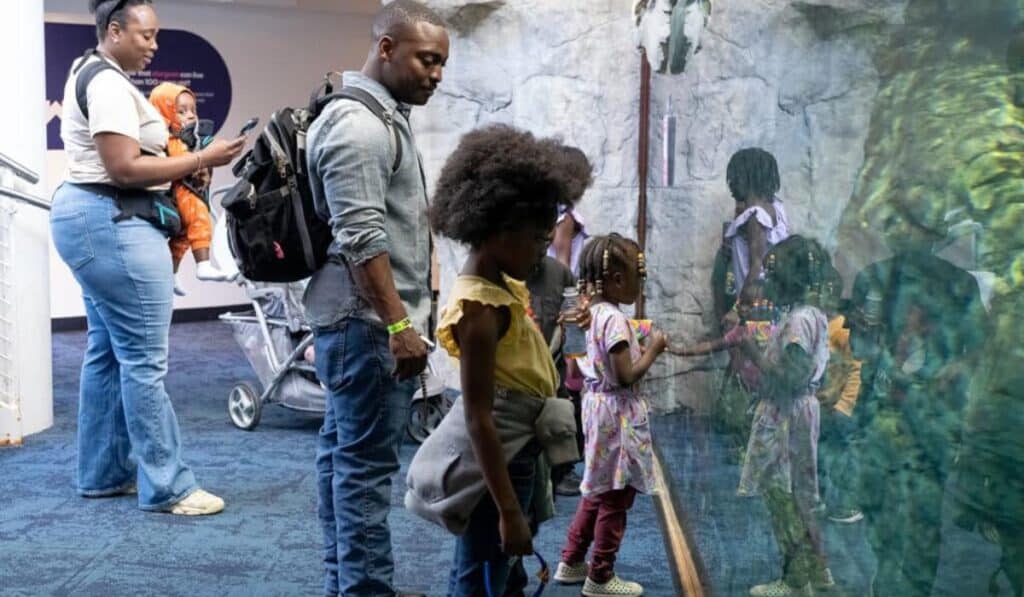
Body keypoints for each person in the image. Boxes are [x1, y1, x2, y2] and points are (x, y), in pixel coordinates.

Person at [50, 0, 245, 515]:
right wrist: (203, 157)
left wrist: (181, 164)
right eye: (147, 35)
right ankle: (169, 487)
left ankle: (103, 473)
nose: (155, 46)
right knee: (143, 360)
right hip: (113, 219)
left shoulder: (92, 72)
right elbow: (122, 167)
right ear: (114, 31)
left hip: (92, 219)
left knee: (108, 352)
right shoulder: (110, 83)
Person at [300, 2, 448, 595]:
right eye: (426, 59)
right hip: (366, 326)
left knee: (344, 458)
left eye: (442, 63)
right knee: (363, 471)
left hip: (360, 322)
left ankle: (350, 585)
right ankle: (364, 590)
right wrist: (397, 326)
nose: (436, 74)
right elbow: (361, 239)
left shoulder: (383, 117)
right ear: (386, 49)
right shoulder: (359, 125)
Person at [410, 124, 583, 596]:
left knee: (499, 568)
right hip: (499, 464)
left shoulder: (502, 287)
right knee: (480, 568)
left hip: (518, 453)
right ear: (495, 230)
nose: (542, 250)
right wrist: (508, 509)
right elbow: (478, 416)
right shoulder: (481, 311)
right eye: (535, 238)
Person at [846, 217, 986, 597]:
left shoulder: (960, 285)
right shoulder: (872, 279)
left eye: (915, 222)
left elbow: (978, 349)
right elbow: (860, 349)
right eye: (898, 221)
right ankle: (887, 584)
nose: (904, 231)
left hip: (932, 421)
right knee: (880, 518)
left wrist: (950, 372)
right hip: (882, 416)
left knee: (924, 520)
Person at [554, 233, 668, 597]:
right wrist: (652, 349)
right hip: (617, 415)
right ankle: (600, 575)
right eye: (639, 277)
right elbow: (625, 375)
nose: (641, 284)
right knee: (616, 494)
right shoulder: (615, 320)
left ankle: (571, 561)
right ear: (618, 280)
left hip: (594, 408)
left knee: (597, 487)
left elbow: (573, 376)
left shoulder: (583, 315)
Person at [736, 236, 835, 597]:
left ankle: (795, 579)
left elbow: (793, 376)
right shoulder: (813, 316)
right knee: (804, 493)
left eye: (772, 277)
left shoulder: (796, 321)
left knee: (782, 495)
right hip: (801, 412)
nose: (766, 285)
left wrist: (754, 354)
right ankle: (818, 568)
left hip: (786, 416)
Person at [148, 82, 231, 295]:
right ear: (164, 112)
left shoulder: (189, 139)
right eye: (182, 111)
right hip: (183, 192)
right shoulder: (172, 140)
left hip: (191, 189)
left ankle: (171, 275)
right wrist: (201, 156)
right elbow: (182, 162)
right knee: (200, 219)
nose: (191, 116)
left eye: (193, 110)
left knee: (183, 237)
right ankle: (203, 265)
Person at [721, 148, 791, 326]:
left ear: (747, 179)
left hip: (755, 306)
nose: (731, 184)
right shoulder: (776, 208)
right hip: (771, 302)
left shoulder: (755, 216)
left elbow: (756, 267)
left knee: (744, 348)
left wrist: (737, 310)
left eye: (734, 178)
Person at [815, 277, 863, 524]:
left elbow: (854, 368)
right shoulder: (821, 324)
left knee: (844, 454)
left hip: (844, 405)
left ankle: (848, 504)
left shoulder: (843, 328)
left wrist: (843, 402)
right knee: (825, 451)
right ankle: (826, 499)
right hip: (828, 403)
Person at [547, 146, 592, 276]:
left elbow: (562, 263)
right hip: (559, 287)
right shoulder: (564, 217)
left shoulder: (562, 216)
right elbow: (563, 263)